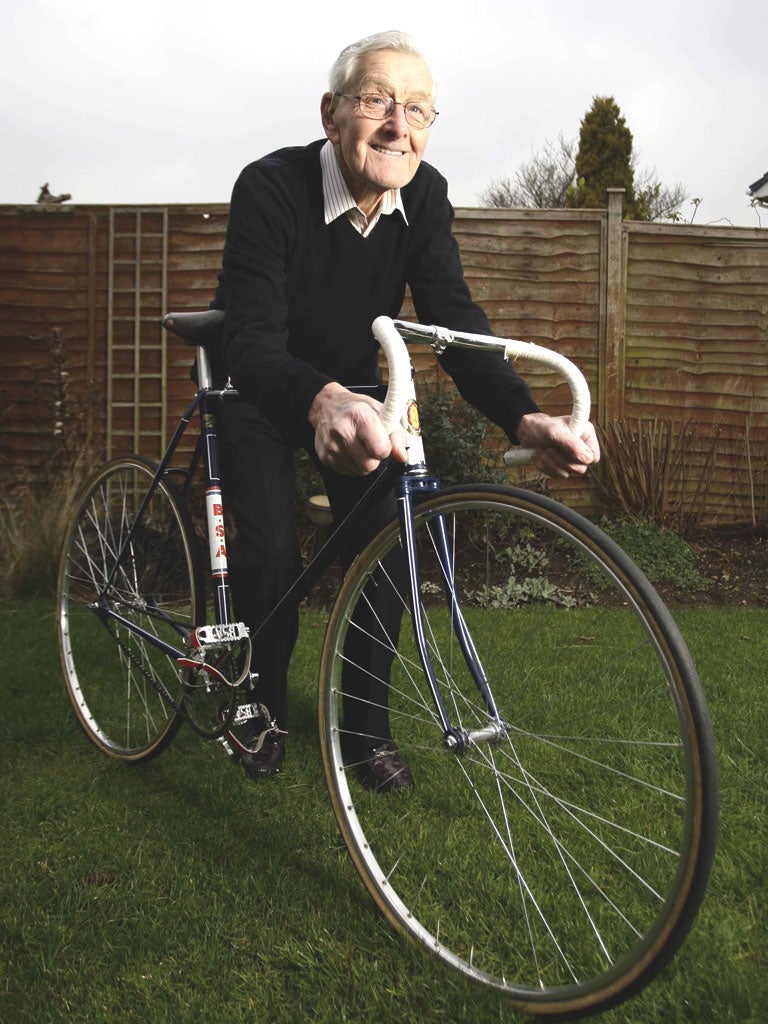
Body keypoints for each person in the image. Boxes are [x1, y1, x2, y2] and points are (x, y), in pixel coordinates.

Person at [212, 30, 600, 788]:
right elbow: (250, 337)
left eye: (418, 108)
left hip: (357, 393)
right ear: (331, 113)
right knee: (268, 559)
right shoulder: (269, 187)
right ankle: (258, 704)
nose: (399, 123)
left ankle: (364, 727)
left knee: (400, 541)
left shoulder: (424, 195)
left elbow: (450, 322)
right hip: (265, 388)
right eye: (377, 101)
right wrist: (315, 398)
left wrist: (524, 418)